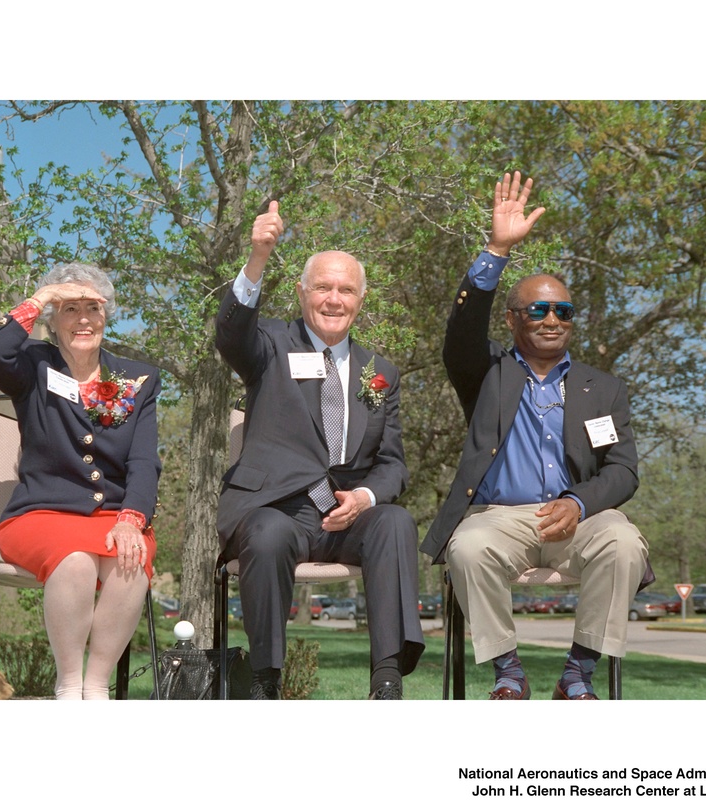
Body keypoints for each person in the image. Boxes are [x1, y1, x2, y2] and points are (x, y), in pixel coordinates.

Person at [420, 172, 649, 700]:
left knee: (623, 541)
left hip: (579, 518)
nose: (552, 319)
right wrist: (496, 249)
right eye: (539, 310)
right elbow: (461, 333)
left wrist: (579, 501)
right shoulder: (487, 371)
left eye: (563, 311)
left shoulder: (604, 387)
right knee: (469, 547)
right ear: (514, 318)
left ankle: (578, 674)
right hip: (501, 519)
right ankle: (508, 673)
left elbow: (623, 470)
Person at [216, 200, 425, 699]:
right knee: (265, 535)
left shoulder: (382, 372)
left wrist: (366, 499)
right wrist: (258, 256)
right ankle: (266, 681)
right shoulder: (269, 343)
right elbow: (230, 334)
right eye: (323, 288)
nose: (334, 299)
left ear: (361, 299)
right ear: (302, 292)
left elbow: (392, 462)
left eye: (346, 290)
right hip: (277, 509)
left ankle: (388, 680)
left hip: (345, 517)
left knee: (396, 521)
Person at [0, 263, 162, 700]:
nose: (83, 319)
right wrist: (43, 295)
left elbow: (142, 461)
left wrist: (131, 518)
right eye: (69, 309)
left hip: (115, 516)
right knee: (76, 560)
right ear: (53, 320)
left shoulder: (137, 379)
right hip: (40, 513)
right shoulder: (31, 366)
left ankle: (96, 687)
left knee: (130, 559)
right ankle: (69, 684)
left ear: (106, 315)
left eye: (93, 308)